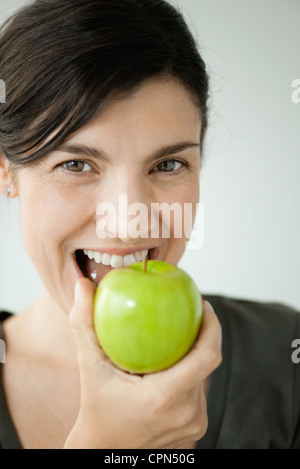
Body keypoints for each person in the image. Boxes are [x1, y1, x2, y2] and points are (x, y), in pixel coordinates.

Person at [0, 0, 299, 450]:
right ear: (6, 171)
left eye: (169, 163)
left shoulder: (286, 358)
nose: (127, 224)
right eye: (77, 164)